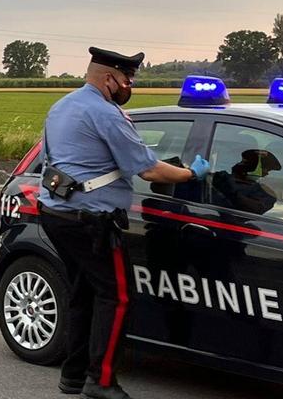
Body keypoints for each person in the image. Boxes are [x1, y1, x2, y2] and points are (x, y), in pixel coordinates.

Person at [38, 47, 208, 399]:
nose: (129, 85)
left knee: (83, 291)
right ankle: (101, 381)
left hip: (57, 213)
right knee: (116, 297)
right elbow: (149, 169)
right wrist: (192, 173)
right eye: (127, 79)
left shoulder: (62, 107)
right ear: (108, 77)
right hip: (91, 222)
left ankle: (72, 374)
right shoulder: (106, 114)